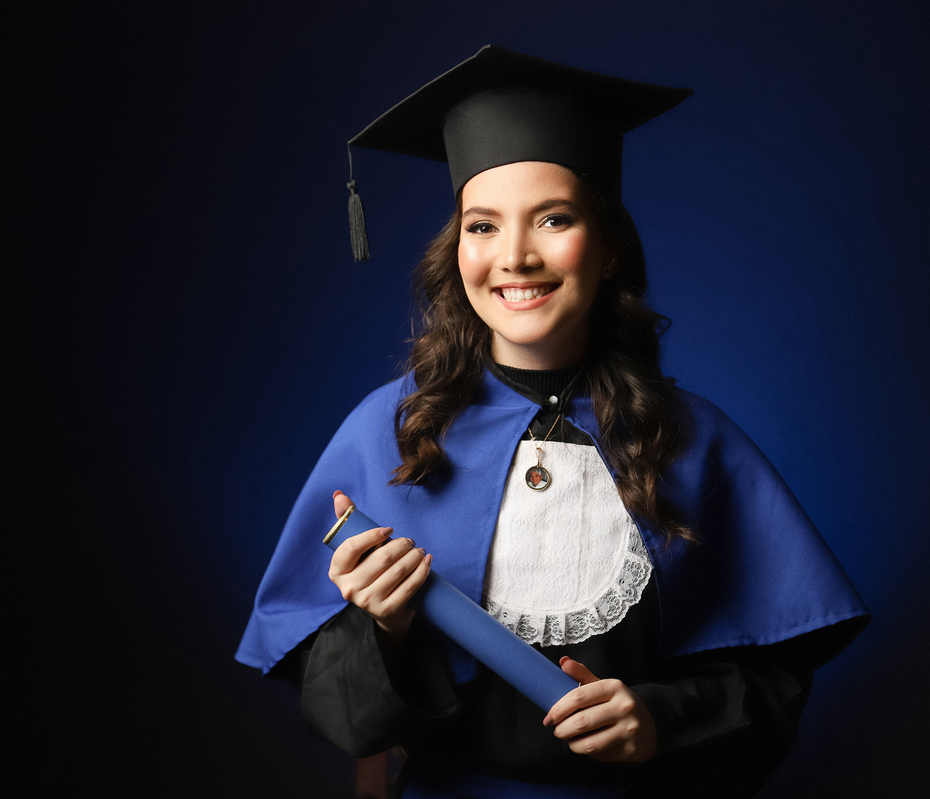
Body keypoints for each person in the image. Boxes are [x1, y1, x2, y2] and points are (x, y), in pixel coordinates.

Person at [236, 45, 870, 798]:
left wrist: (660, 719)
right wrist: (384, 626)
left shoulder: (691, 437)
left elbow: (771, 677)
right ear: (456, 249)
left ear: (608, 247)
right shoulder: (389, 430)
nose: (515, 257)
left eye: (554, 219)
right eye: (482, 226)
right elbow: (342, 713)